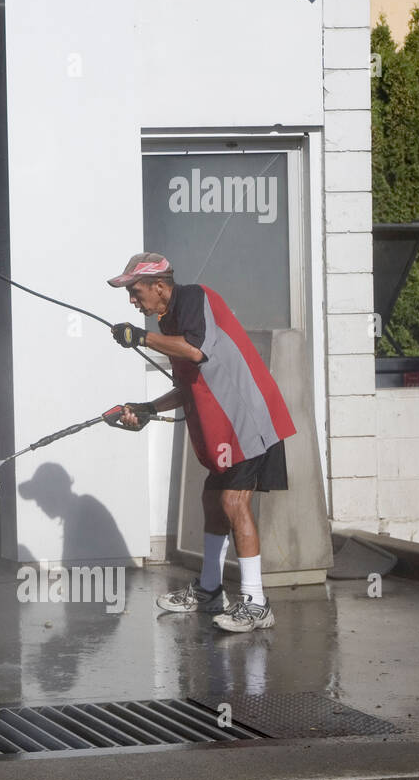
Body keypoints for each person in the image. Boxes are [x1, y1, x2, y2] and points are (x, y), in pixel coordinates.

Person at [105, 253, 296, 632]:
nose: (131, 300)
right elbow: (189, 385)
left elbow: (196, 350)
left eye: (135, 290)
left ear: (160, 285)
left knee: (232, 502)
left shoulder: (194, 298)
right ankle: (209, 590)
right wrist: (145, 408)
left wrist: (140, 337)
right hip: (224, 428)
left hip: (249, 420)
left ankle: (257, 603)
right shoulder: (171, 321)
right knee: (213, 501)